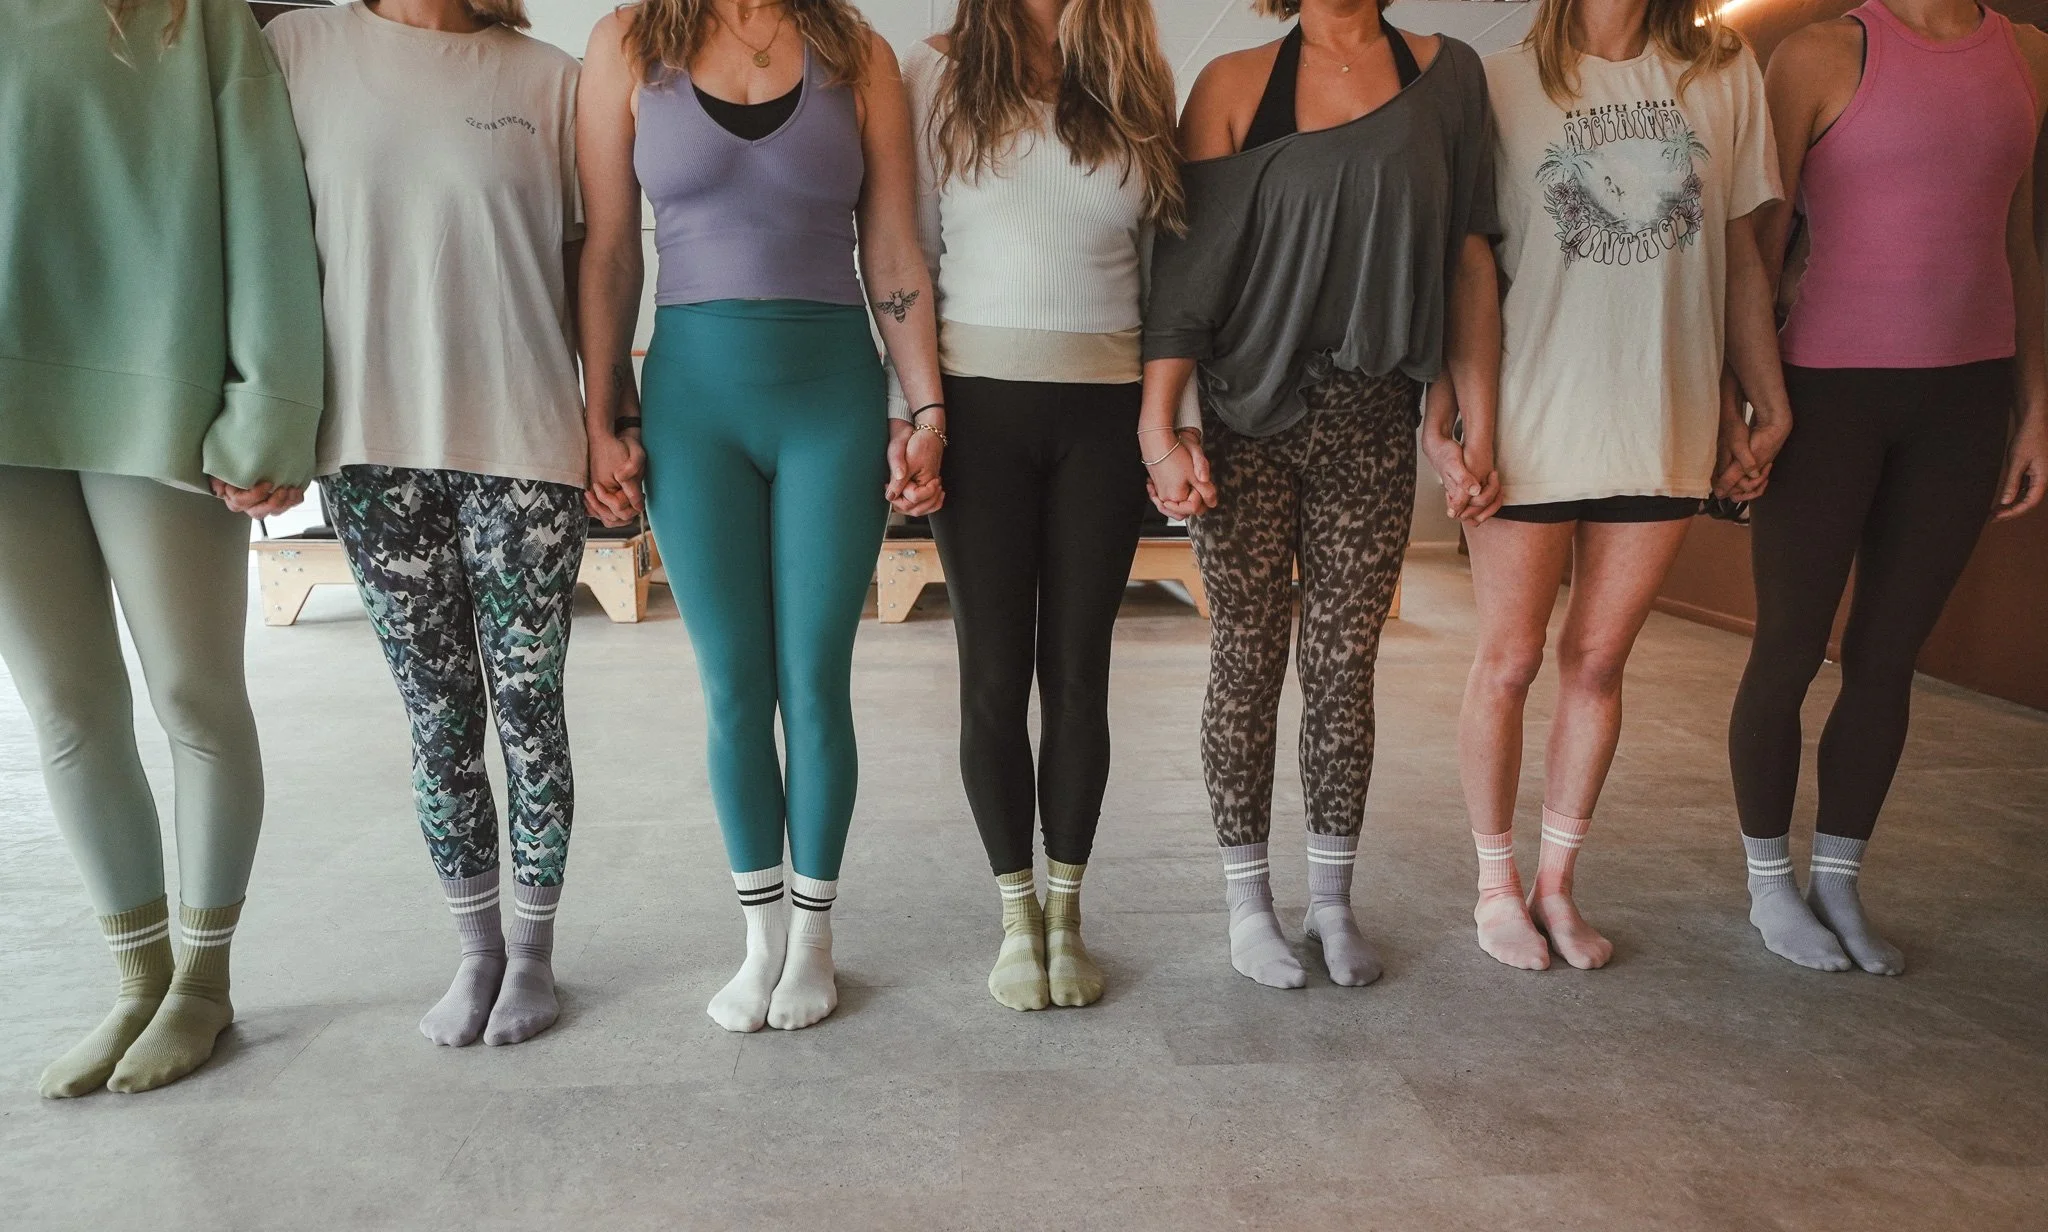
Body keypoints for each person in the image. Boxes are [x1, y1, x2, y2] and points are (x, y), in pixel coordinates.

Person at [578, 0, 945, 1032]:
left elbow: (894, 248)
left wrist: (927, 410)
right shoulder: (626, 44)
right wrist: (601, 410)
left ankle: (816, 939)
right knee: (734, 685)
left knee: (813, 681)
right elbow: (610, 251)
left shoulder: (857, 53)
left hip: (829, 394)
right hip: (694, 401)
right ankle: (757, 941)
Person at [0, 0, 323, 1095]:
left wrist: (269, 407)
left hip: (162, 401)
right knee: (67, 707)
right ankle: (136, 978)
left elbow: (269, 210)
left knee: (194, 694)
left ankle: (203, 984)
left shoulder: (197, 18)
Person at [1147, 0, 1501, 989]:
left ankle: (1333, 902)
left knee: (1343, 661)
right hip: (1235, 412)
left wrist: (1464, 413)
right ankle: (1246, 901)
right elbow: (1181, 281)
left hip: (1372, 408)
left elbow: (1468, 255)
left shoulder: (1447, 77)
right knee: (1246, 653)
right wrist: (1157, 421)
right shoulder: (1231, 83)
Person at [266, 0, 588, 1046]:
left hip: (527, 446)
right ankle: (476, 950)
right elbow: (261, 243)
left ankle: (534, 955)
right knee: (439, 718)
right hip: (370, 447)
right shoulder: (298, 49)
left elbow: (595, 264)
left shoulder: (550, 78)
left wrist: (610, 421)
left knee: (530, 711)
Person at [1447, 0, 1786, 972]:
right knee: (1506, 662)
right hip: (1527, 421)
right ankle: (1492, 884)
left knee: (1595, 663)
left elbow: (1739, 261)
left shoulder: (1720, 72)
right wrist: (1458, 415)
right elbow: (1464, 266)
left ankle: (1555, 884)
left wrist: (1761, 394)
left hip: (1659, 414)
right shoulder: (1498, 83)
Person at [1729, 0, 2048, 975]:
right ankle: (1767, 884)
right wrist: (1749, 398)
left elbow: (2019, 244)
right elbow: (1758, 245)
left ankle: (1837, 875)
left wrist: (2033, 405)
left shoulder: (2029, 54)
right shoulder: (1820, 52)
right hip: (1823, 394)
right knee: (1787, 647)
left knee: (1887, 653)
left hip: (1962, 399)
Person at [903, 0, 1185, 1012]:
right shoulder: (928, 75)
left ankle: (1066, 911)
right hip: (975, 409)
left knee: (1078, 670)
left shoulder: (1131, 78)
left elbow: (1167, 275)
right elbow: (903, 259)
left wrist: (1168, 423)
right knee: (991, 668)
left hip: (1104, 415)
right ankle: (1014, 912)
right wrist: (914, 415)